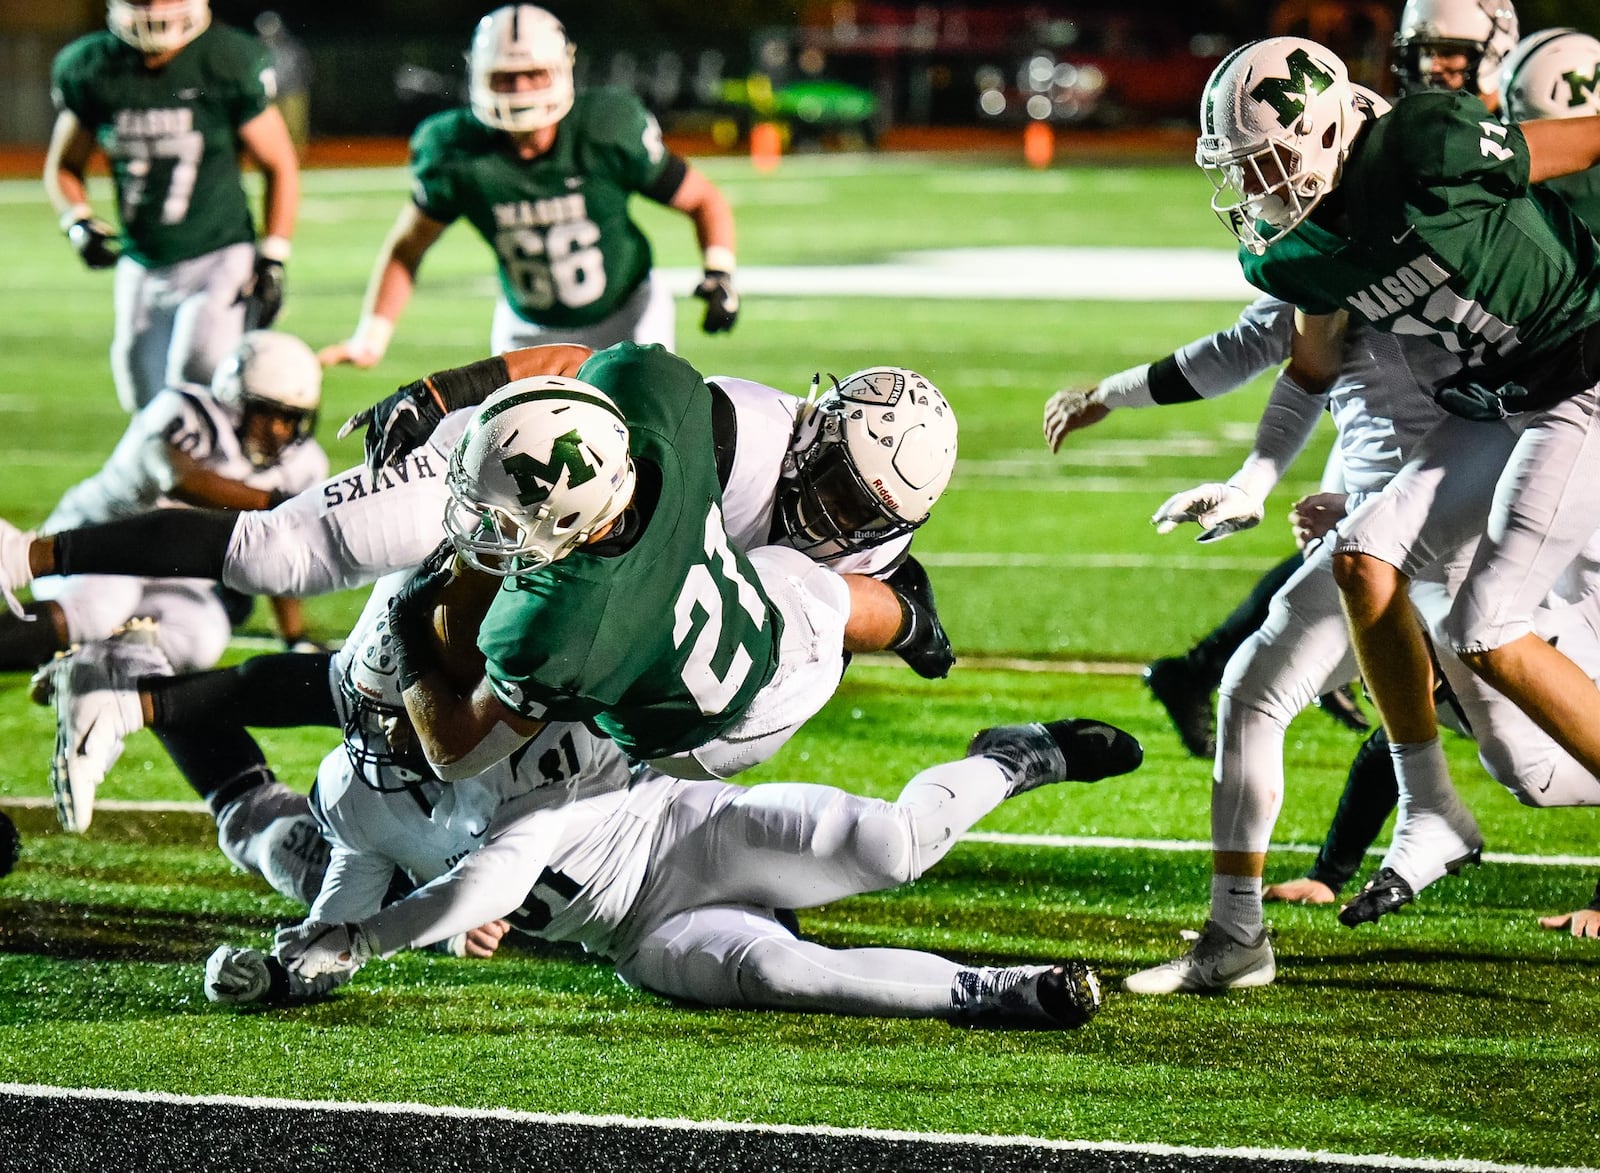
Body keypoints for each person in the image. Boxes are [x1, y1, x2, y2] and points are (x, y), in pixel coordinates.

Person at [14, 344, 956, 895]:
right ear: (815, 428)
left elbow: (865, 602)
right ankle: (32, 556)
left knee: (389, 698)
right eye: (830, 484)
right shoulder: (739, 430)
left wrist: (911, 622)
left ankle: (142, 703)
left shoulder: (853, 556)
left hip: (572, 583)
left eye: (861, 512)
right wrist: (452, 391)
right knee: (279, 553)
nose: (833, 518)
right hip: (514, 481)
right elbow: (591, 366)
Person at [203, 589, 1138, 1023]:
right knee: (784, 976)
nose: (420, 723)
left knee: (890, 843)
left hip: (681, 827)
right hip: (632, 937)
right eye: (397, 712)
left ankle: (1018, 756)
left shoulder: (522, 719)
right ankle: (999, 990)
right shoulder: (352, 789)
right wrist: (302, 961)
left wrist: (368, 941)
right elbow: (352, 880)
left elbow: (500, 872)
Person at [1183, 35, 1600, 939]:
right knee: (1364, 556)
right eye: (1243, 169)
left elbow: (1584, 141)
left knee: (1487, 627)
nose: (1255, 191)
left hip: (1585, 370)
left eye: (1268, 163)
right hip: (1506, 396)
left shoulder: (1425, 144)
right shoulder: (1301, 253)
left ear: (1327, 131)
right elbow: (1308, 363)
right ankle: (1430, 809)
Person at [1117, 0, 1521, 762]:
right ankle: (1397, 824)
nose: (1435, 65)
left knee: (1501, 694)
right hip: (1444, 416)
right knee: (1389, 605)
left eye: (1454, 50)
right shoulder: (1350, 180)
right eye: (1421, 48)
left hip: (1531, 403)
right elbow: (1302, 354)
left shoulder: (1437, 149)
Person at [318, 5, 738, 371]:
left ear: (561, 70)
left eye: (532, 74)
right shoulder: (455, 151)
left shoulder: (604, 128)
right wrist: (370, 339)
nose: (520, 90)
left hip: (629, 314)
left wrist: (719, 273)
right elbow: (407, 248)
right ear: (479, 76)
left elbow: (704, 199)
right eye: (505, 77)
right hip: (527, 329)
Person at [45, 0, 300, 413]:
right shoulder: (93, 66)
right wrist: (77, 221)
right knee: (143, 404)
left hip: (218, 254)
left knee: (199, 387)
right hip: (142, 261)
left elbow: (279, 164)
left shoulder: (225, 59)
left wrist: (273, 256)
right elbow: (63, 166)